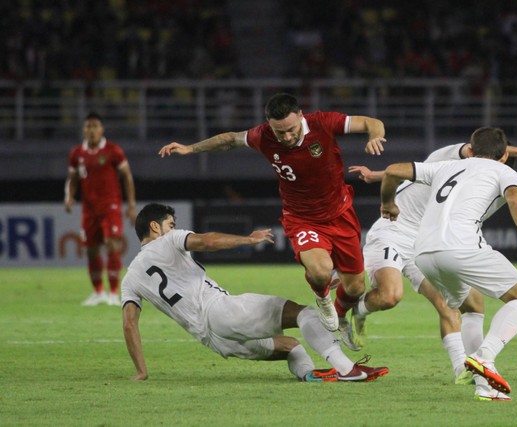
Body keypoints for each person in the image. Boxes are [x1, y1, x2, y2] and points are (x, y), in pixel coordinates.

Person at [158, 93, 387, 350]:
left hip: (340, 214)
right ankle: (322, 298)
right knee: (321, 271)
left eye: (291, 130)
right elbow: (229, 139)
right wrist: (190, 148)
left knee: (355, 288)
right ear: (269, 124)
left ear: (301, 116)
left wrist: (375, 136)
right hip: (301, 218)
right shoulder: (263, 135)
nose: (287, 137)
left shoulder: (323, 123)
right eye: (280, 133)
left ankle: (341, 313)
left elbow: (371, 121)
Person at [346, 141, 517, 385]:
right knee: (390, 296)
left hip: (428, 240)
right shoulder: (449, 158)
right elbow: (486, 148)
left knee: (450, 303)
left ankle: (463, 370)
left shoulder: (471, 177)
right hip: (393, 230)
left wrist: (376, 175)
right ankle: (359, 309)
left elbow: (489, 152)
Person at [121, 203, 389, 382]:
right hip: (220, 311)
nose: (173, 227)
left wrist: (141, 371)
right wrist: (247, 240)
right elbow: (208, 240)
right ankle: (347, 369)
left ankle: (310, 376)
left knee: (292, 347)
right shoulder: (169, 240)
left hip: (215, 341)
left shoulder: (131, 276)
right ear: (155, 227)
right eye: (170, 223)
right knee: (303, 314)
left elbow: (129, 324)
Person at [64, 112, 137, 306]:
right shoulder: (77, 153)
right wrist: (69, 196)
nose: (92, 130)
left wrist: (131, 205)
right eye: (88, 126)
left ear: (102, 129)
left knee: (112, 244)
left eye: (95, 126)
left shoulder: (113, 151)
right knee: (90, 249)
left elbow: (127, 177)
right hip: (89, 208)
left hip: (110, 205)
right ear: (83, 130)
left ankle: (114, 293)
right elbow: (72, 179)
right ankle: (98, 292)